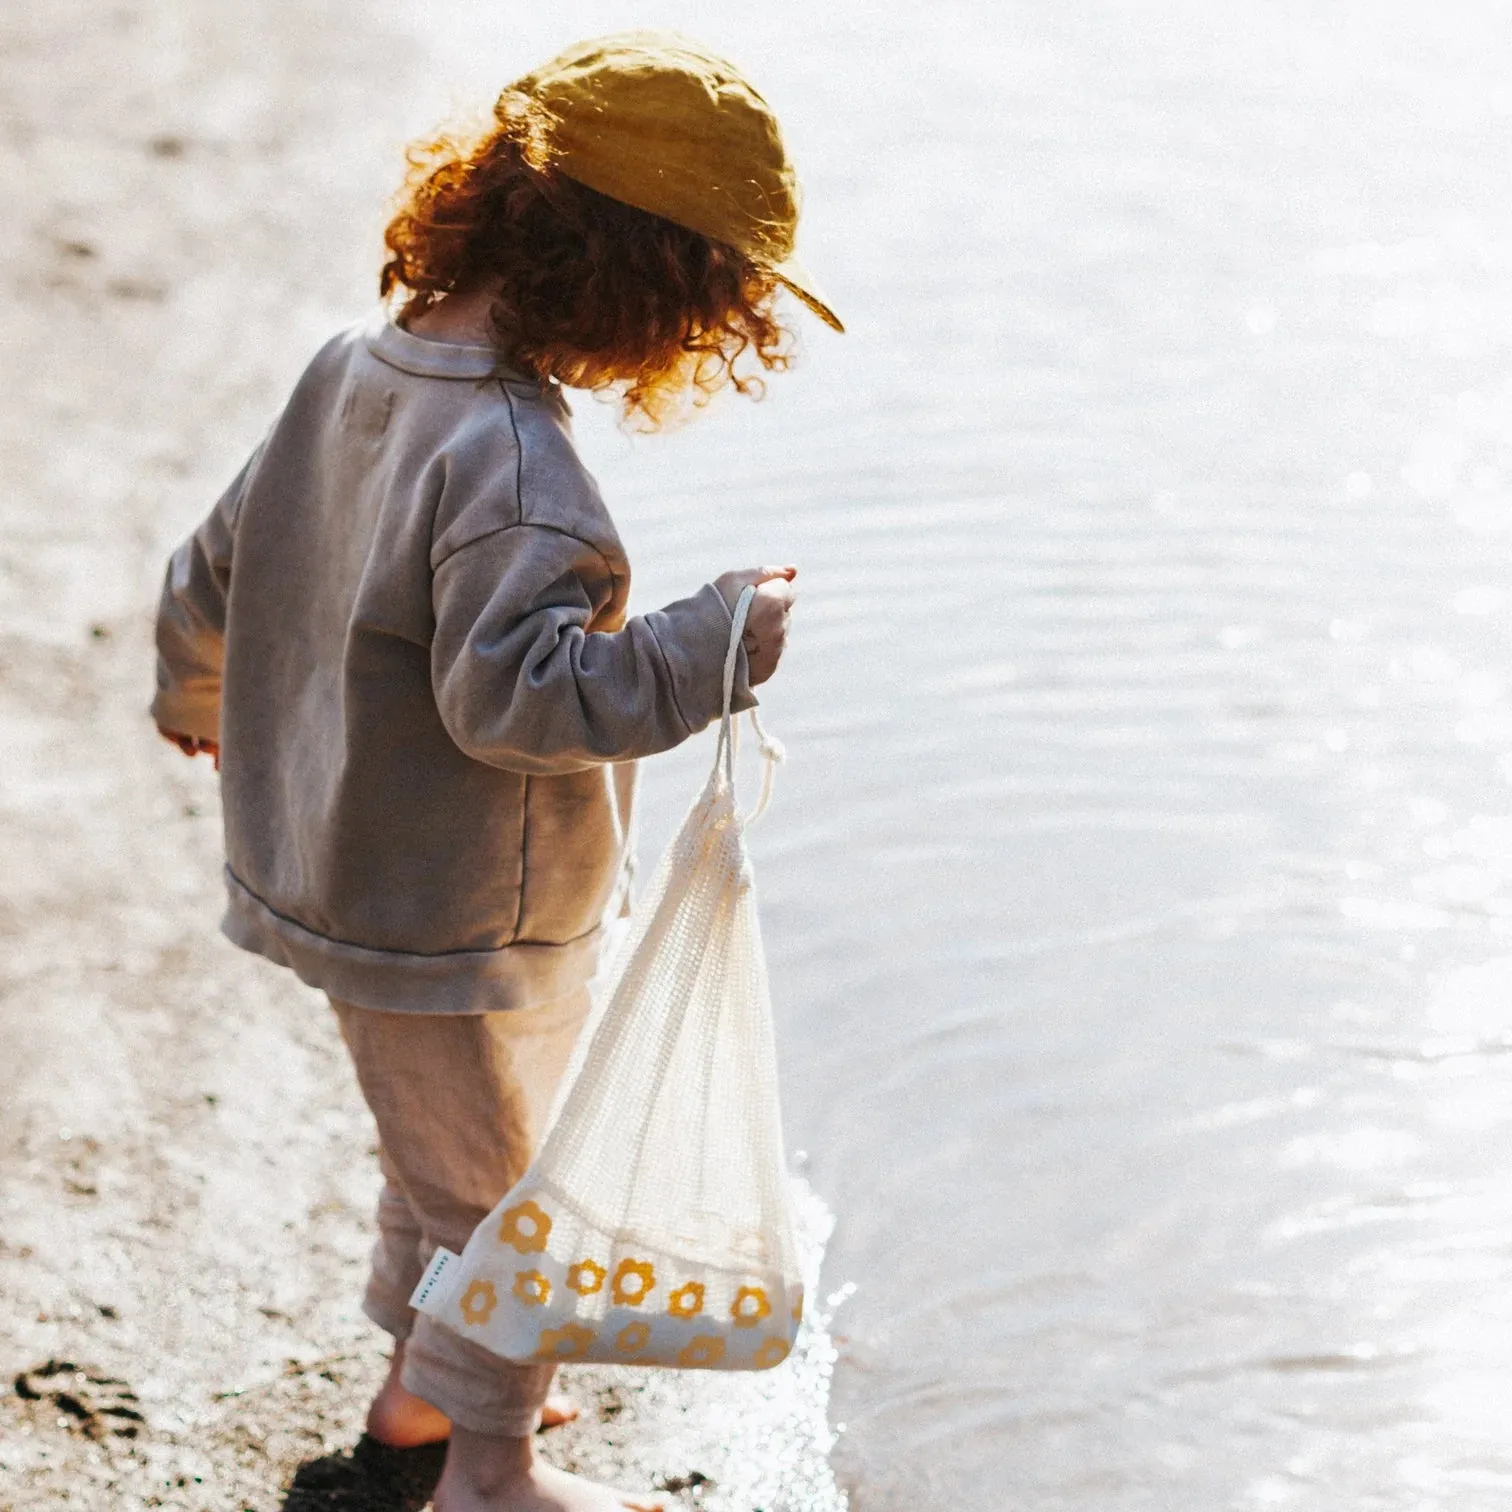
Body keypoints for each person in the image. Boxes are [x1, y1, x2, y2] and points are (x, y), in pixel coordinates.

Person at [149, 31, 841, 1512]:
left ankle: (419, 1400)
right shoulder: (522, 471)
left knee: (440, 1159)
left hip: (341, 871)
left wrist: (192, 683)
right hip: (462, 912)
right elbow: (518, 702)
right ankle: (489, 1468)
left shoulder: (349, 372)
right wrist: (713, 640)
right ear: (642, 284)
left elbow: (219, 560)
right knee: (501, 1192)